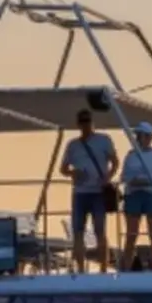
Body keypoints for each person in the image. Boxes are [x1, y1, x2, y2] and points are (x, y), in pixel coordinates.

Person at [59, 108, 119, 273]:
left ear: (92, 122)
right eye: (83, 121)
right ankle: (80, 269)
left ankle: (103, 269)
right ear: (78, 124)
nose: (86, 125)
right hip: (79, 192)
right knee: (78, 231)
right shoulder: (72, 145)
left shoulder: (104, 140)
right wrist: (73, 173)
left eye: (88, 121)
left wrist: (107, 177)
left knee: (100, 230)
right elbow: (63, 168)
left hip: (98, 192)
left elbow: (115, 161)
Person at [119, 122, 152, 272]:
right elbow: (124, 176)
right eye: (138, 135)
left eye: (142, 135)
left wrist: (147, 180)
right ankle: (126, 269)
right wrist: (135, 180)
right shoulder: (131, 155)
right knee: (131, 235)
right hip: (134, 194)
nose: (139, 138)